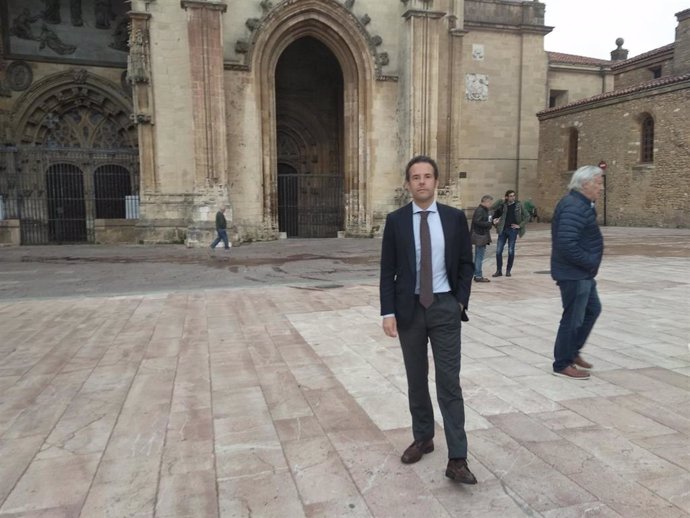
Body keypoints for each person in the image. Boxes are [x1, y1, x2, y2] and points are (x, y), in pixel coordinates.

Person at [380, 155, 477, 485]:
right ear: (408, 183)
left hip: (444, 307)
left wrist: (460, 301)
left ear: (436, 181)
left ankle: (458, 458)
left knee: (449, 382)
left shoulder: (452, 219)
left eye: (427, 176)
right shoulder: (396, 221)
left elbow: (466, 263)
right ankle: (423, 437)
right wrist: (387, 312)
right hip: (408, 310)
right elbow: (387, 270)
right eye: (415, 177)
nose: (421, 181)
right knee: (416, 379)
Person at [551, 165, 604, 379]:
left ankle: (572, 352)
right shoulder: (573, 206)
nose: (601, 188)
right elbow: (566, 243)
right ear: (585, 184)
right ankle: (562, 363)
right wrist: (589, 262)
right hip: (574, 273)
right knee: (572, 318)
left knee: (593, 309)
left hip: (581, 273)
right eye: (598, 183)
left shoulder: (582, 204)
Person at [491, 189, 528, 277]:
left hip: (512, 230)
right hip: (503, 230)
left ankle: (508, 270)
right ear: (507, 197)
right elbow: (493, 207)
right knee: (498, 251)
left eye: (514, 195)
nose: (513, 197)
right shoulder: (503, 205)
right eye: (511, 196)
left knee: (511, 251)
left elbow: (527, 216)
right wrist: (501, 200)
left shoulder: (519, 205)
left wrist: (520, 225)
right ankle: (499, 270)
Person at [471, 194, 493, 282]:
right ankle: (478, 276)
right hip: (480, 236)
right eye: (490, 202)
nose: (490, 204)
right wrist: (488, 223)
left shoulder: (484, 210)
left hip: (482, 235)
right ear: (485, 202)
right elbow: (477, 222)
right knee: (479, 256)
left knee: (478, 256)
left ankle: (477, 274)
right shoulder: (480, 210)